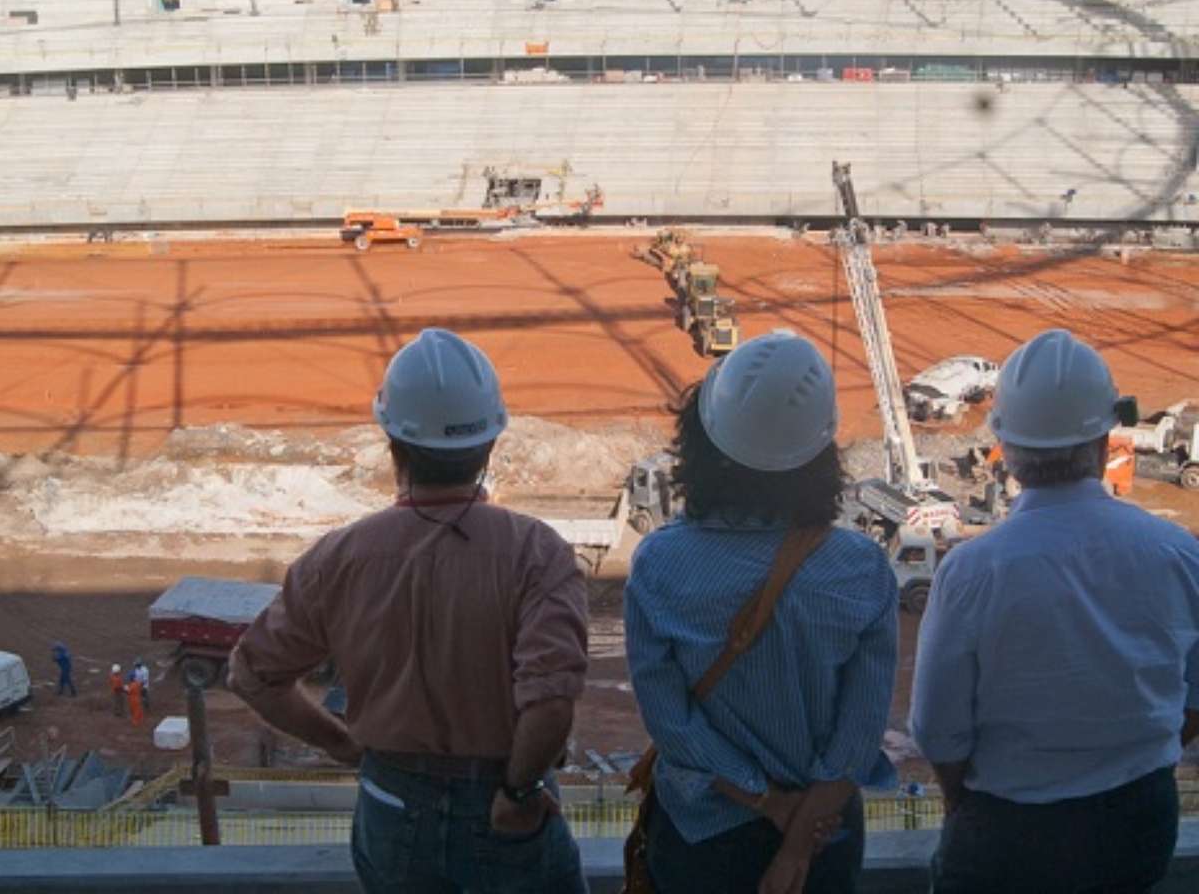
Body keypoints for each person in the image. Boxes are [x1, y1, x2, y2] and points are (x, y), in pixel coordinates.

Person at [229, 328, 589, 894]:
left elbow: (252, 674)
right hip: (504, 805)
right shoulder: (536, 552)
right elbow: (549, 705)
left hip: (390, 804)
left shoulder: (339, 558)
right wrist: (518, 793)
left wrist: (340, 742)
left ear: (392, 443)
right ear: (490, 444)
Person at [911, 328, 1199, 894]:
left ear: (1007, 449)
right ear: (1105, 438)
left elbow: (936, 729)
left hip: (1008, 832)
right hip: (1137, 822)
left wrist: (963, 804)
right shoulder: (1180, 553)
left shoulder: (972, 571)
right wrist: (1140, 763)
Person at [625, 330, 899, 894]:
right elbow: (859, 733)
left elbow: (672, 725)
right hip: (827, 838)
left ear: (700, 441)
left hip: (705, 835)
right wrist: (798, 845)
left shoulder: (660, 564)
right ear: (822, 456)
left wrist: (768, 802)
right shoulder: (862, 568)